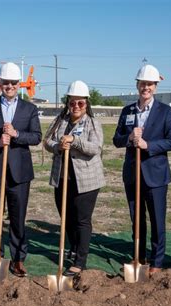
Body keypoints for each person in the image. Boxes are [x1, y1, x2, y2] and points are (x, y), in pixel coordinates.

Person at [0, 62, 41, 277]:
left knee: (18, 217)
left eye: (13, 82)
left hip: (19, 173)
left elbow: (36, 137)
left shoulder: (29, 109)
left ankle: (18, 258)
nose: (9, 86)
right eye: (6, 82)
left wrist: (16, 134)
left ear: (18, 84)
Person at [113, 64, 171, 275]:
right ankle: (138, 257)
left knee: (157, 220)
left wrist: (148, 145)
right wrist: (130, 138)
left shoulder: (166, 112)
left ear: (155, 87)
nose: (146, 87)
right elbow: (116, 140)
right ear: (137, 85)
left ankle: (157, 262)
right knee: (137, 219)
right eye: (142, 84)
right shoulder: (128, 111)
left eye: (149, 84)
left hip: (156, 175)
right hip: (133, 174)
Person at [43, 80, 105, 276]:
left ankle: (80, 260)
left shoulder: (93, 123)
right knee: (66, 218)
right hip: (63, 178)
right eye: (72, 103)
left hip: (86, 181)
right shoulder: (60, 121)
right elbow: (47, 141)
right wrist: (58, 146)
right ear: (67, 103)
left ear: (87, 104)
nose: (76, 107)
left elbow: (95, 148)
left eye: (80, 103)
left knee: (82, 220)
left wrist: (75, 140)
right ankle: (74, 246)